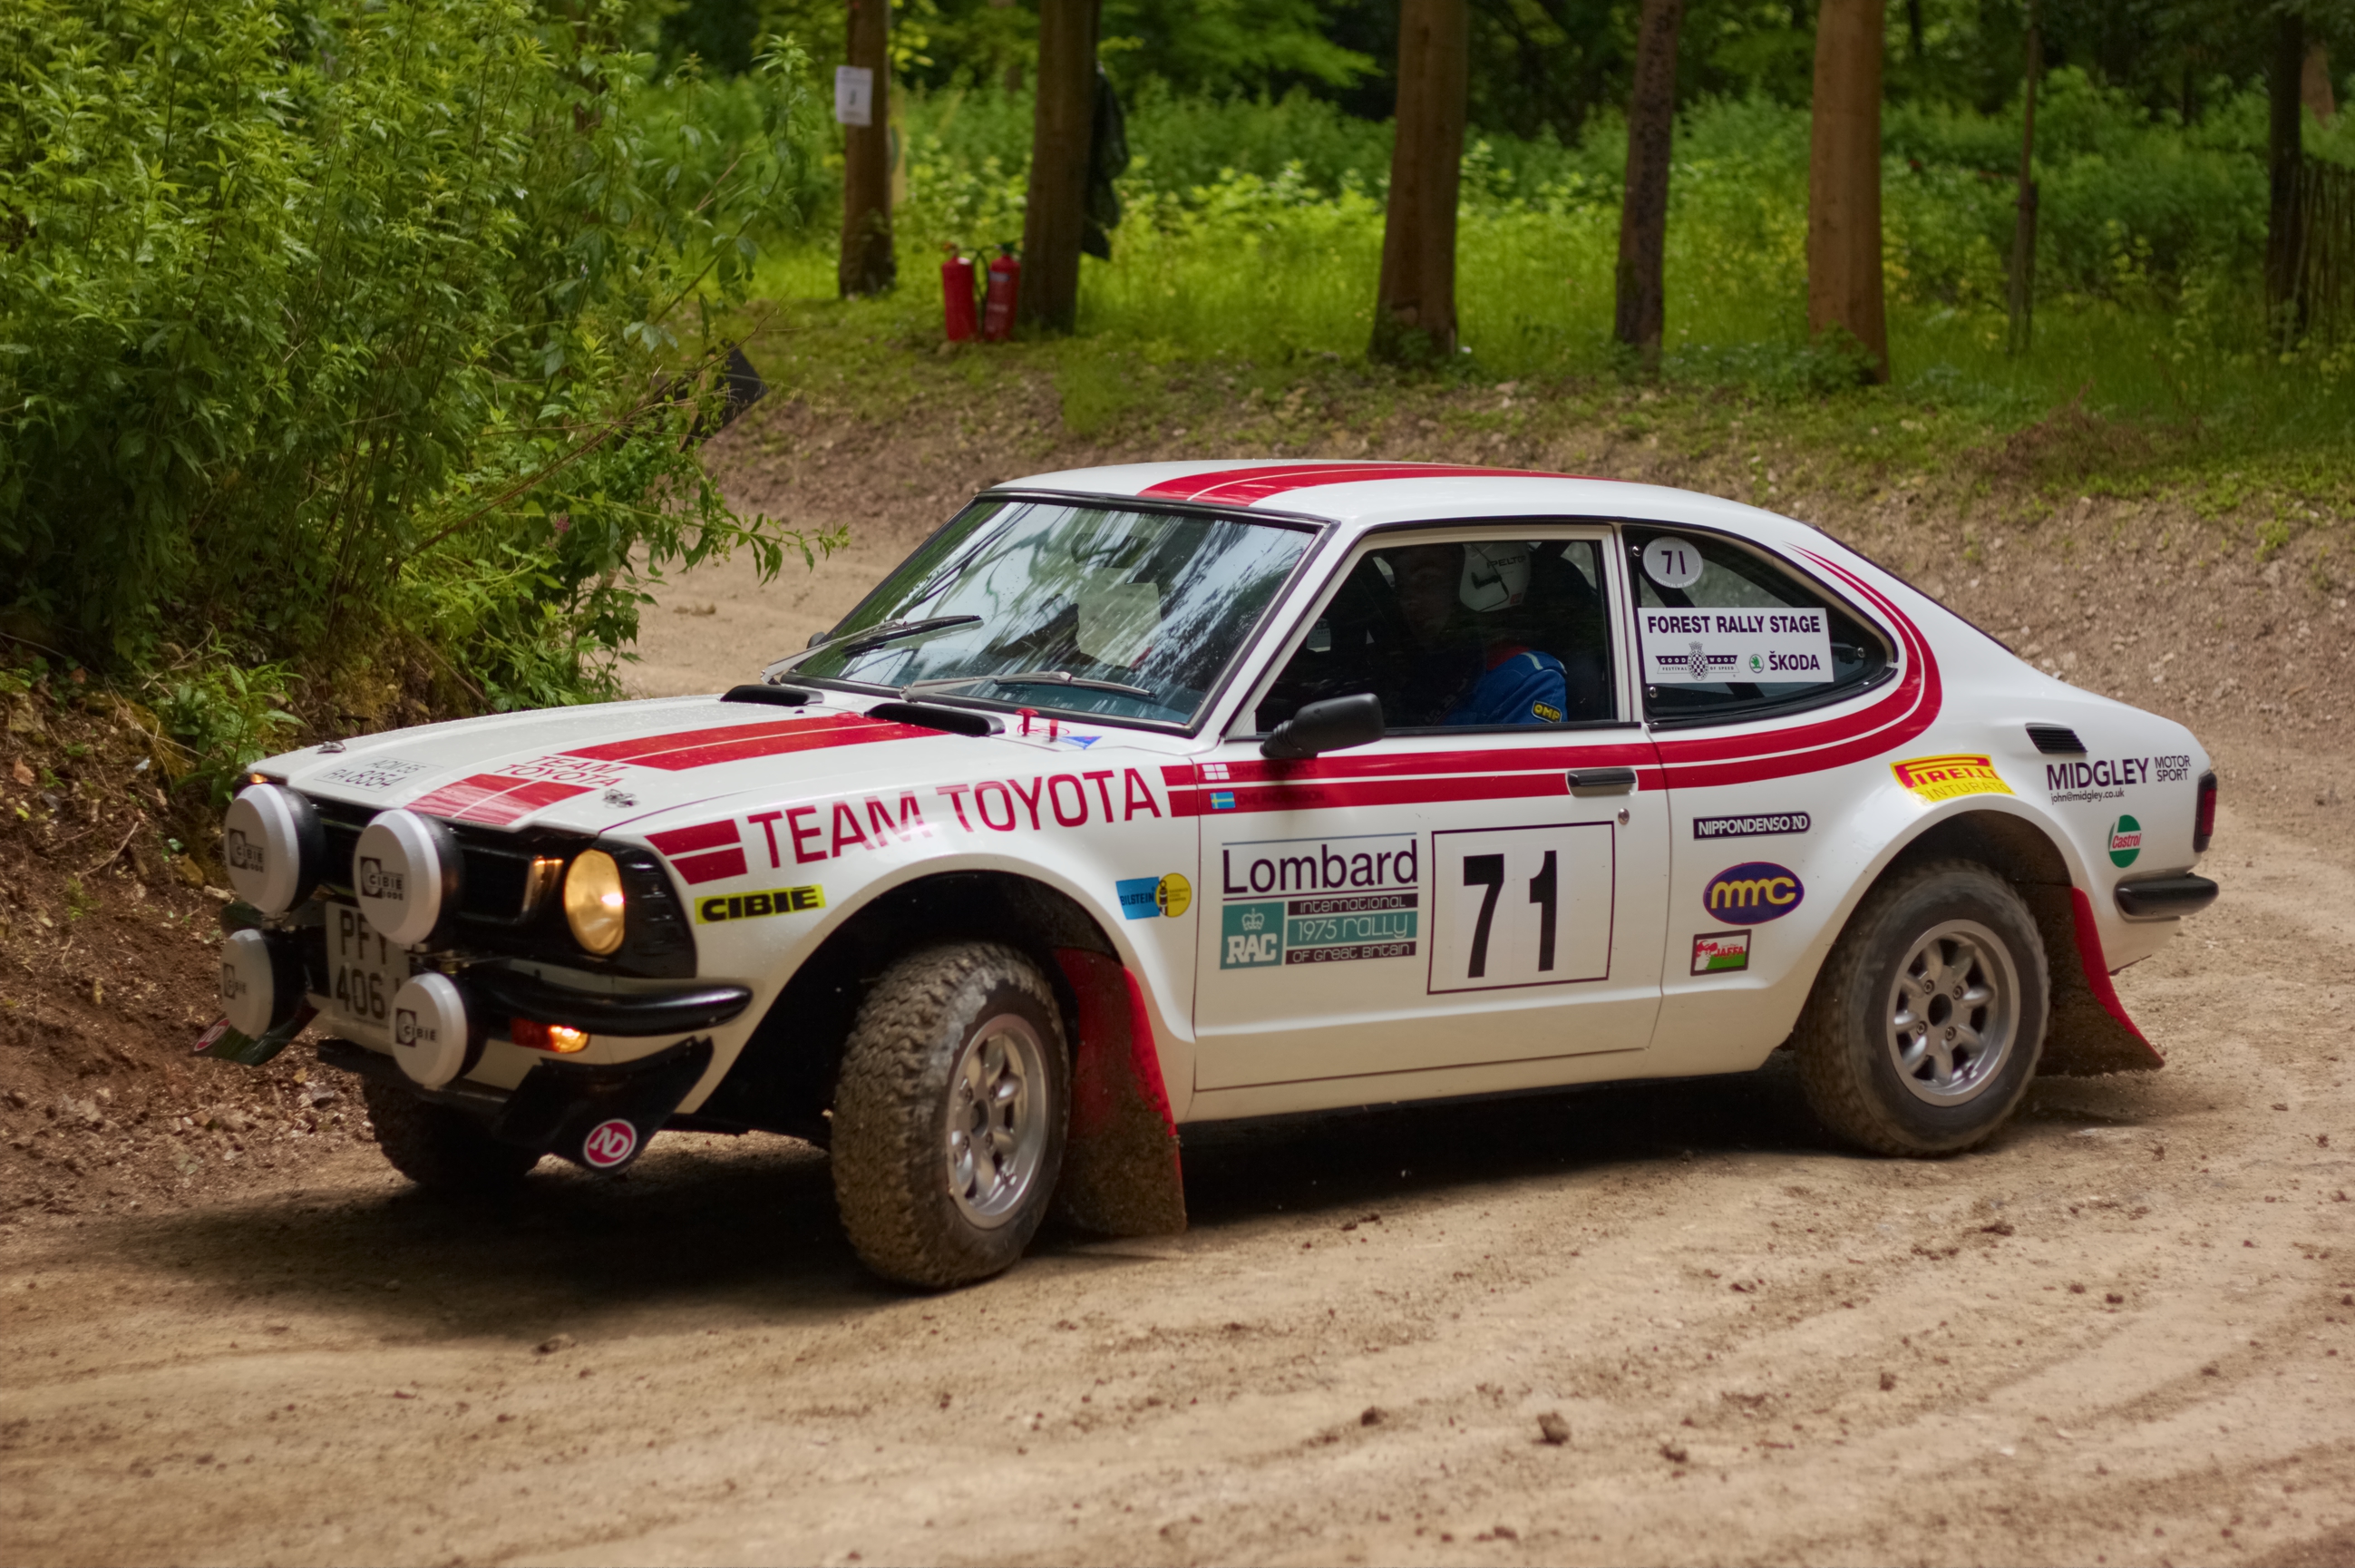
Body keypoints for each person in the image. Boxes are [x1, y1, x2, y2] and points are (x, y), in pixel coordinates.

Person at [1384, 541, 1568, 727]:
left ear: (1484, 583)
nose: (1408, 601)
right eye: (1401, 585)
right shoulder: (1429, 666)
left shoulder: (1529, 679)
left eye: (1427, 580)